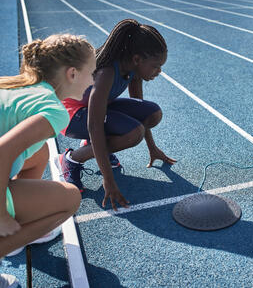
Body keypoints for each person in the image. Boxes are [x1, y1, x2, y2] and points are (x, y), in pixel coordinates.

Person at [0, 34, 96, 286]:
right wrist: (1, 214)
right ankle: (6, 238)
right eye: (92, 73)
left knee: (39, 149)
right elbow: (2, 151)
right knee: (70, 198)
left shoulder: (18, 86)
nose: (93, 81)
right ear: (72, 73)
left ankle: (20, 223)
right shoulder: (54, 111)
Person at [60, 19, 176, 211]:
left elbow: (142, 113)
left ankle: (92, 145)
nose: (159, 71)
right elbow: (94, 125)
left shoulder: (132, 68)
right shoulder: (106, 73)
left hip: (96, 110)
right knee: (133, 133)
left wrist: (152, 148)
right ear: (137, 59)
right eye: (156, 66)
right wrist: (108, 179)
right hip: (72, 117)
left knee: (153, 114)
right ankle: (72, 159)